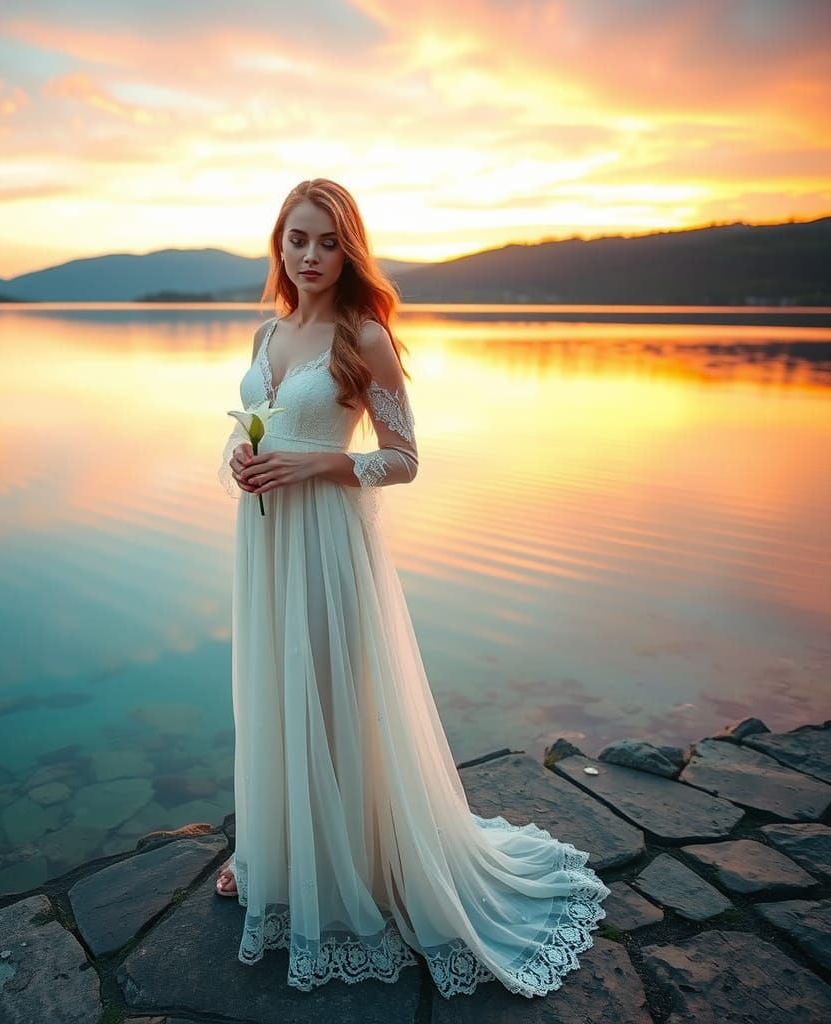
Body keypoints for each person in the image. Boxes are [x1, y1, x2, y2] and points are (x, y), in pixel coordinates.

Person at [214, 178, 610, 999]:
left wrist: (323, 462)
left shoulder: (366, 339)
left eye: (326, 240)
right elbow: (254, 429)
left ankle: (353, 867)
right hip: (265, 541)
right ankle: (273, 852)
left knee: (329, 695)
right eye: (296, 240)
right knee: (273, 691)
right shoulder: (268, 332)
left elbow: (403, 458)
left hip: (327, 543)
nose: (310, 255)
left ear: (348, 247)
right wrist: (242, 463)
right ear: (278, 247)